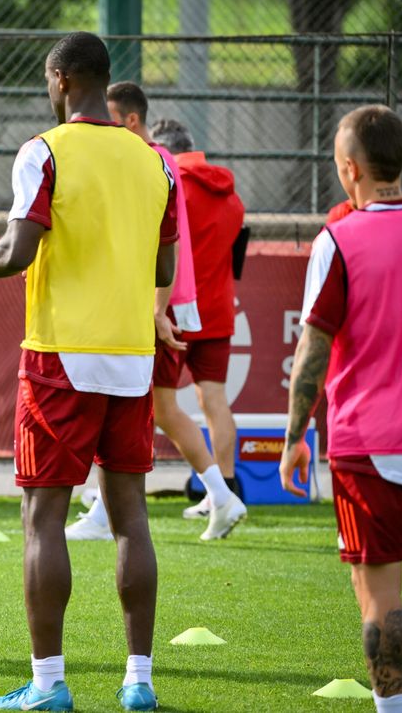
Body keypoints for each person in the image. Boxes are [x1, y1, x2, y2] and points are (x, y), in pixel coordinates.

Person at [0, 32, 177, 712]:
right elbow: (163, 268)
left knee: (43, 515)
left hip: (60, 354)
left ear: (61, 79)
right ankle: (139, 682)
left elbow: (16, 252)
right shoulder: (156, 162)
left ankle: (47, 685)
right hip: (132, 356)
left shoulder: (43, 151)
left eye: (49, 80)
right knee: (130, 517)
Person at [282, 105, 402, 713]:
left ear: (349, 169)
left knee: (380, 597)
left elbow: (312, 349)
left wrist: (294, 436)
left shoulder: (337, 240)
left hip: (369, 445)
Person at [66, 83, 245, 542]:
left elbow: (168, 242)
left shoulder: (152, 163)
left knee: (143, 405)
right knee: (156, 403)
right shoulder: (189, 176)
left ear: (130, 119)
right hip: (191, 306)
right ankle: (218, 491)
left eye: (108, 116)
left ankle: (214, 495)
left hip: (153, 304)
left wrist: (159, 307)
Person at [146, 118, 247, 534]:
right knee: (215, 401)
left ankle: (217, 493)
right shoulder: (231, 195)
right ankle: (225, 487)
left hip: (173, 308)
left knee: (158, 405)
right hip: (218, 309)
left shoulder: (171, 185)